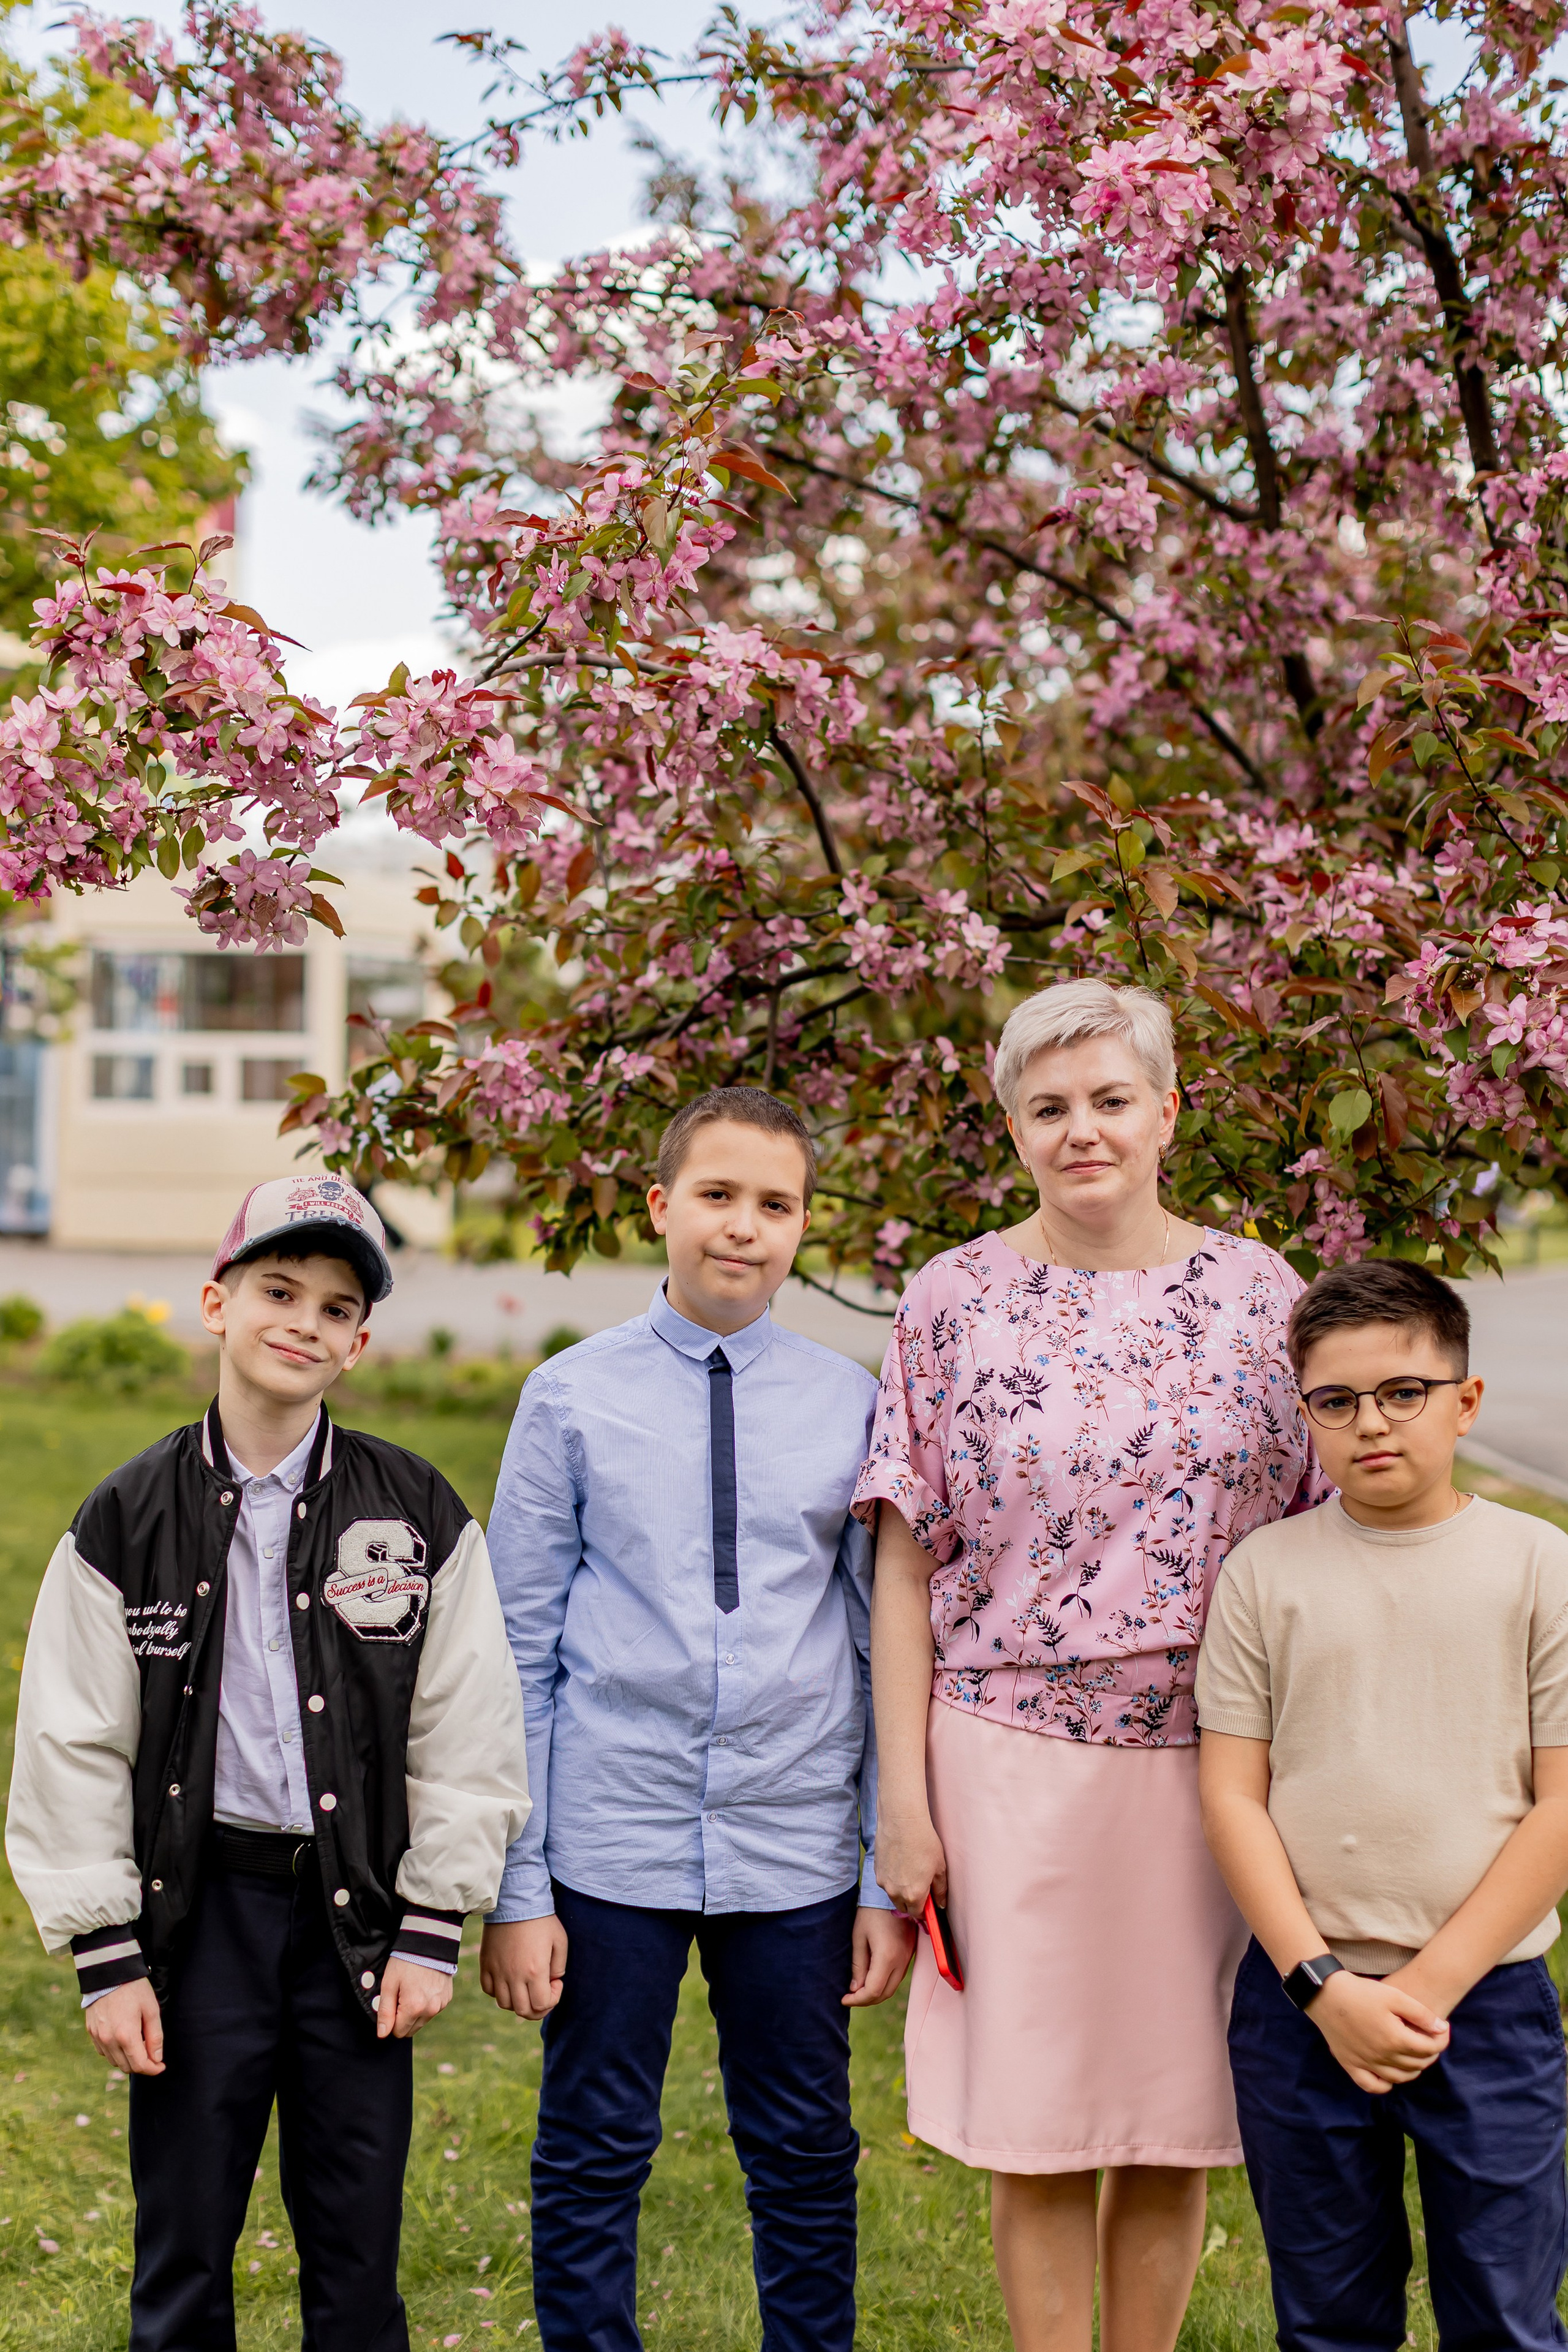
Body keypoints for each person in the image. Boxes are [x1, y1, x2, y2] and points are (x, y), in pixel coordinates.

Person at [861, 978, 1323, 2352]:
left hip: (1213, 1771)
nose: (1083, 1132)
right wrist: (902, 1801)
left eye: (1110, 1101)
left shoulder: (1259, 1296)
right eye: (1048, 1108)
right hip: (1007, 1764)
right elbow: (901, 1561)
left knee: (1171, 2119)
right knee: (1042, 2124)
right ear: (1010, 1127)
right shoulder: (951, 1298)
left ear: (1165, 1111)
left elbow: (1315, 1547)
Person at [6, 1174, 531, 2352]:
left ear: (357, 1345)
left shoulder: (418, 1511)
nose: (304, 1321)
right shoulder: (124, 1519)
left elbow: (465, 1723)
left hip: (356, 1923)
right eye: (278, 1290)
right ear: (216, 1303)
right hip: (200, 1921)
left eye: (337, 1307)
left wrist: (437, 1919)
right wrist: (107, 1951)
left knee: (356, 2253)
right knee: (183, 2246)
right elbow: (72, 1740)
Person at [478, 1085, 916, 2352]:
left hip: (790, 1849)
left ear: (802, 1227)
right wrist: (518, 1889)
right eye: (717, 1197)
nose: (744, 1228)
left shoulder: (850, 1403)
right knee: (594, 2139)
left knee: (800, 2144)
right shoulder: (569, 1398)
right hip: (608, 1836)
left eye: (774, 1205)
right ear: (662, 1207)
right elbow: (517, 1645)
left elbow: (882, 1641)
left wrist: (881, 1872)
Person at [1198, 1259, 1568, 2352]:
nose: (1373, 1423)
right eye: (1337, 1400)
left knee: (1505, 2314)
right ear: (1304, 1410)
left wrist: (1424, 1991)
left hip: (1487, 2004)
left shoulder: (1538, 1566)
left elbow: (1560, 1807)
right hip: (1300, 2006)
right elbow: (1230, 1794)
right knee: (1327, 2320)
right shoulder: (1264, 1574)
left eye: (1404, 1392)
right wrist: (1322, 1985)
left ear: (1466, 1401)